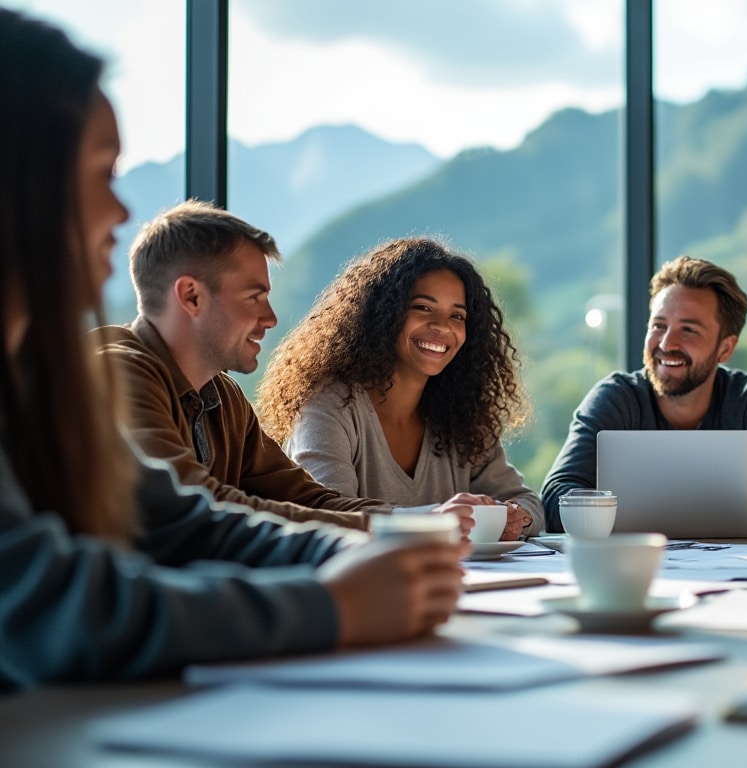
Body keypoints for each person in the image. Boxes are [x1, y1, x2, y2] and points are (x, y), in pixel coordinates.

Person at [0, 8, 465, 690]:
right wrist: (331, 604)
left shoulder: (49, 382)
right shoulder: (116, 373)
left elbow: (191, 525)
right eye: (101, 172)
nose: (121, 212)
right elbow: (59, 607)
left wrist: (389, 546)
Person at [97, 201, 398, 529]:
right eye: (254, 297)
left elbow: (304, 498)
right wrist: (388, 528)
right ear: (191, 296)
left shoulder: (223, 395)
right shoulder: (117, 374)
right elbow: (198, 507)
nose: (270, 318)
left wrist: (415, 520)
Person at [257, 237, 542, 541]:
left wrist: (514, 517)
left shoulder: (463, 418)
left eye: (457, 316)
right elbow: (327, 515)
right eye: (422, 307)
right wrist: (432, 520)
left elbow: (530, 505)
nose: (443, 327)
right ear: (383, 313)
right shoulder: (328, 406)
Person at [541, 256, 747, 533]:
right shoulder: (615, 397)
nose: (666, 343)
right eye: (659, 325)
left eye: (689, 330)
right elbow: (556, 495)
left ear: (725, 348)